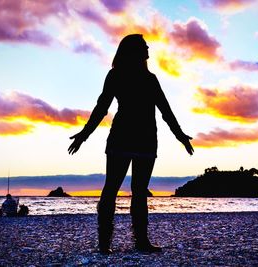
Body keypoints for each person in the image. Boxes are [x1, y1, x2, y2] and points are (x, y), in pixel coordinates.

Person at [68, 34, 194, 254]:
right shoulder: (116, 75)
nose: (148, 48)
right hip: (124, 138)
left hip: (144, 140)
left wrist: (180, 135)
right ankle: (105, 242)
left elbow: (166, 110)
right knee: (111, 189)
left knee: (137, 191)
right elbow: (101, 107)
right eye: (144, 46)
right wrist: (84, 134)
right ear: (133, 50)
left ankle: (140, 241)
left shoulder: (150, 79)